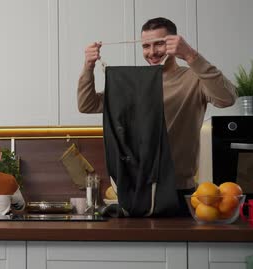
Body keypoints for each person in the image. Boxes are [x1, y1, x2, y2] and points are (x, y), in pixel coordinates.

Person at [77, 17, 237, 215]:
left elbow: (227, 98)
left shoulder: (193, 79)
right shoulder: (135, 84)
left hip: (179, 191)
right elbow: (87, 105)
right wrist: (88, 66)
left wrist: (191, 55)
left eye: (159, 44)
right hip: (135, 191)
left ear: (173, 44)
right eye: (146, 46)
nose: (152, 52)